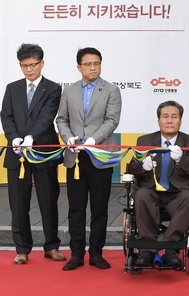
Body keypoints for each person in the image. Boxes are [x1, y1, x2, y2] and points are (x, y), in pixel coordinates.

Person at [56, 47, 122, 271]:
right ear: (79, 67)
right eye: (88, 64)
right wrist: (68, 138)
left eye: (96, 63)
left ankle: (96, 253)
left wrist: (93, 139)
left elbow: (112, 120)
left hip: (99, 155)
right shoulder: (69, 91)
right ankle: (76, 253)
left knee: (99, 208)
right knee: (75, 208)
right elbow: (61, 119)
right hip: (75, 157)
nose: (93, 67)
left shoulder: (111, 90)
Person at [0, 43, 63, 265]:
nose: (29, 69)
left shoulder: (53, 89)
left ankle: (52, 246)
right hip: (17, 152)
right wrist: (14, 137)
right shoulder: (12, 88)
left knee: (48, 201)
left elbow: (46, 116)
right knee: (18, 204)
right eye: (24, 65)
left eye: (33, 65)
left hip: (43, 152)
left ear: (42, 63)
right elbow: (6, 116)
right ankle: (22, 249)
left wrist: (31, 137)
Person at [128, 101, 189, 268]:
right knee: (141, 195)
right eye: (165, 116)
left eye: (174, 117)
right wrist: (143, 167)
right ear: (158, 120)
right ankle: (147, 249)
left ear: (180, 121)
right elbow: (132, 168)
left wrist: (182, 160)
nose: (169, 120)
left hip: (179, 192)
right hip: (151, 190)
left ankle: (171, 248)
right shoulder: (145, 141)